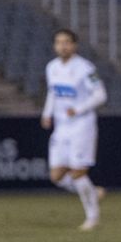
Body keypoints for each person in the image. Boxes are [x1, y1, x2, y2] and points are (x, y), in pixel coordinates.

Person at [41, 29, 106, 230]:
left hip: (82, 125)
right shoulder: (51, 67)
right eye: (59, 42)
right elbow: (53, 92)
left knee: (78, 172)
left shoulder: (85, 68)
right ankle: (92, 193)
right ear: (54, 46)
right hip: (61, 127)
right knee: (57, 176)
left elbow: (101, 95)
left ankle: (92, 217)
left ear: (74, 45)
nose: (63, 46)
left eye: (67, 42)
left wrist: (78, 109)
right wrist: (47, 113)